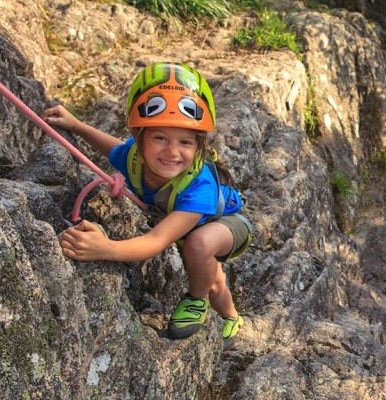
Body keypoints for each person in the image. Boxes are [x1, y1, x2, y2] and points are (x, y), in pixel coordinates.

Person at [42, 62, 253, 345]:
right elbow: (112, 148)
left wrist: (105, 249)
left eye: (186, 142)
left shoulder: (199, 188)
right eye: (160, 138)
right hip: (190, 226)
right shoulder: (134, 157)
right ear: (139, 138)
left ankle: (195, 301)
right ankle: (231, 317)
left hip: (227, 224)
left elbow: (155, 241)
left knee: (199, 246)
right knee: (213, 280)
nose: (172, 151)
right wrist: (76, 126)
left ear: (199, 146)